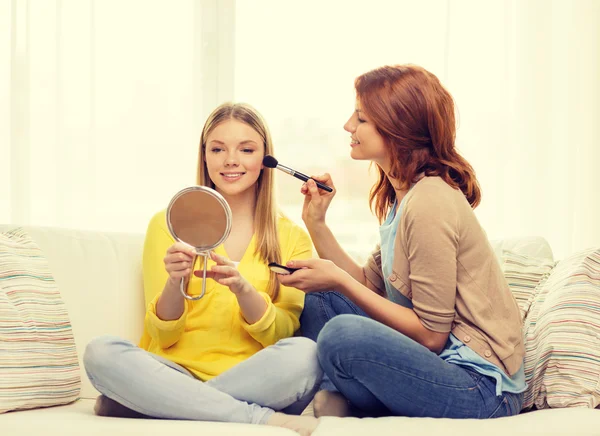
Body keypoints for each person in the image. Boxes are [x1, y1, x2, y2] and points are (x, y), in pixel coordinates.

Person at [278, 64, 526, 420]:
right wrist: (315, 222)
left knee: (341, 334)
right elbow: (368, 285)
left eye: (361, 118)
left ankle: (347, 399)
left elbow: (430, 335)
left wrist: (340, 279)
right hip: (441, 362)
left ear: (397, 127)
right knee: (319, 299)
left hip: (481, 388)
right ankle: (350, 399)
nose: (349, 126)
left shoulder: (430, 202)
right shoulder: (403, 196)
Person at [83, 102, 322, 435]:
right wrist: (173, 282)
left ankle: (154, 405)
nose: (231, 160)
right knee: (101, 353)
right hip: (173, 371)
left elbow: (281, 333)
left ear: (265, 158)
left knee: (306, 354)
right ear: (205, 156)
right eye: (218, 149)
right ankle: (254, 417)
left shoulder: (291, 236)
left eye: (246, 149)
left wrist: (243, 290)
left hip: (255, 376)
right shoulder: (167, 224)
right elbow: (163, 334)